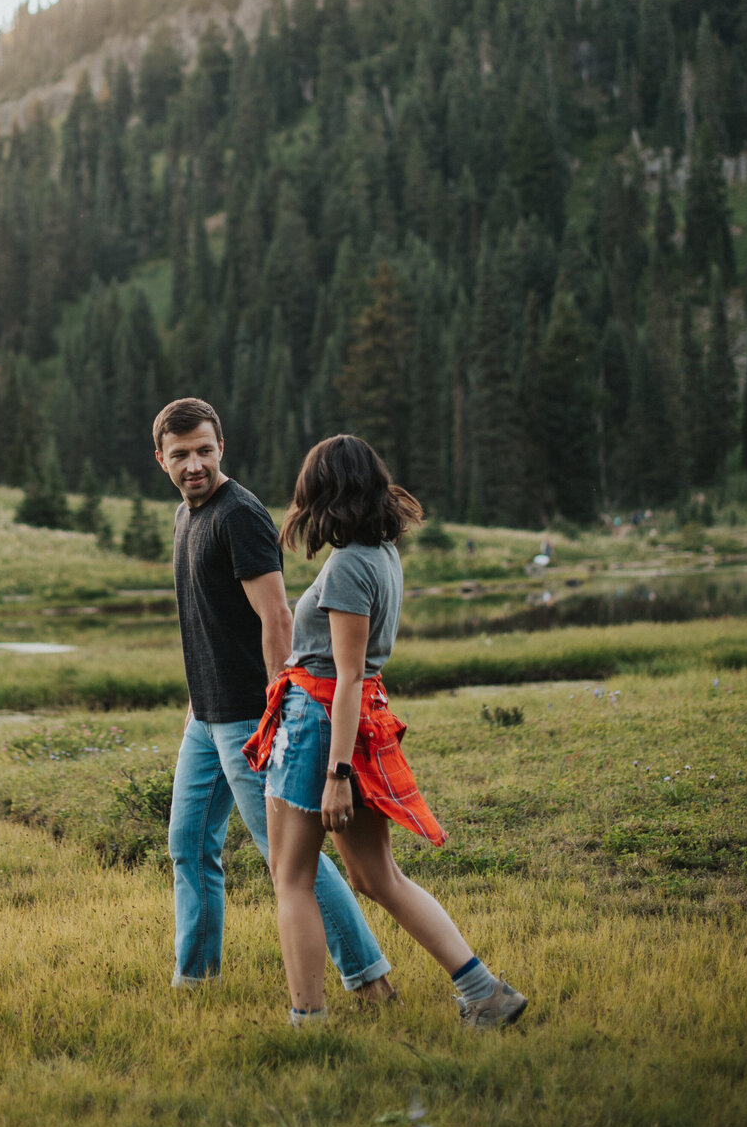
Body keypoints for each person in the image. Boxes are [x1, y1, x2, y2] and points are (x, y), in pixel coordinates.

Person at [244, 434, 528, 1030]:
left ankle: (308, 1020)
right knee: (377, 877)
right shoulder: (380, 554)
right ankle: (483, 991)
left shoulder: (349, 566)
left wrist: (336, 776)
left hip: (323, 725)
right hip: (355, 722)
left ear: (324, 493)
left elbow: (346, 679)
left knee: (290, 877)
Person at [153, 396, 395, 1002]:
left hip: (248, 720)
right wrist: (193, 701)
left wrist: (273, 709)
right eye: (180, 455)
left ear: (221, 447)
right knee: (187, 846)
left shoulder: (240, 515)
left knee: (289, 859)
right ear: (161, 458)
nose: (194, 465)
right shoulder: (187, 517)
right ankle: (196, 980)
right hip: (203, 719)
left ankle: (369, 978)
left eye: (204, 451)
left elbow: (278, 619)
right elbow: (201, 622)